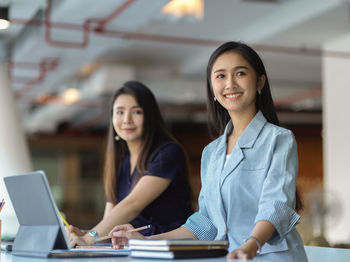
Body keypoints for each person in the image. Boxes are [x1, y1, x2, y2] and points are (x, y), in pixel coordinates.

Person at [109, 42, 308, 261]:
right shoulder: (211, 153)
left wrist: (252, 244)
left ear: (260, 81)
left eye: (240, 73)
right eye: (220, 76)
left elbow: (276, 205)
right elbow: (206, 223)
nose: (230, 84)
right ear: (212, 87)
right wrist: (146, 241)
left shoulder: (278, 139)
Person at [67, 81, 193, 247]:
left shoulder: (167, 153)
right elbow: (109, 221)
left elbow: (132, 205)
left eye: (136, 112)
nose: (127, 120)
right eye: (120, 112)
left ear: (150, 117)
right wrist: (85, 234)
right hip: (134, 251)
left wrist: (90, 237)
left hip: (168, 250)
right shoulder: (122, 163)